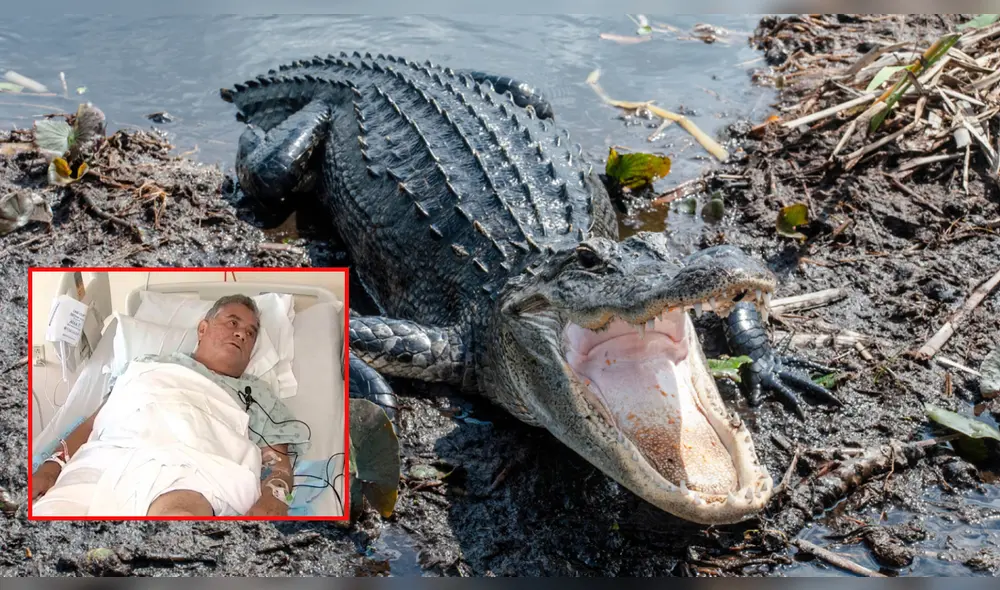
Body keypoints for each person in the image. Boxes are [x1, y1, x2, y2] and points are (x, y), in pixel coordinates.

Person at [31, 295, 310, 517]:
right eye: (232, 323)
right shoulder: (146, 365)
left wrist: (274, 497)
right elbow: (96, 422)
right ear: (203, 328)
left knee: (177, 521)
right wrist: (51, 467)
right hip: (109, 457)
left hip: (193, 467)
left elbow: (278, 464)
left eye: (250, 333)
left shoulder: (256, 393)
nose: (242, 335)